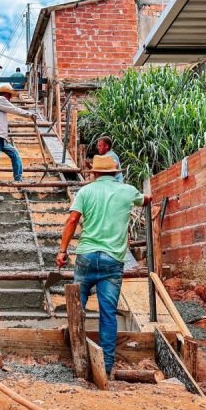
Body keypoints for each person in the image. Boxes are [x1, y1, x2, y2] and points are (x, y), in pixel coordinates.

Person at [56, 155, 151, 376]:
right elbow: (145, 200)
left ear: (95, 173)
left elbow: (71, 221)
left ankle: (76, 353)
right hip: (112, 260)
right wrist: (149, 197)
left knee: (77, 306)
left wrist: (62, 251)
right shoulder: (127, 191)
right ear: (115, 173)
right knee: (108, 313)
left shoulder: (86, 192)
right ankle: (106, 367)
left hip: (86, 256)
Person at [0, 85, 37, 202]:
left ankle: (18, 178)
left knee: (14, 153)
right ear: (7, 94)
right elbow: (15, 109)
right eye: (10, 95)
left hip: (0, 137)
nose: (11, 97)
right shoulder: (0, 100)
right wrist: (30, 114)